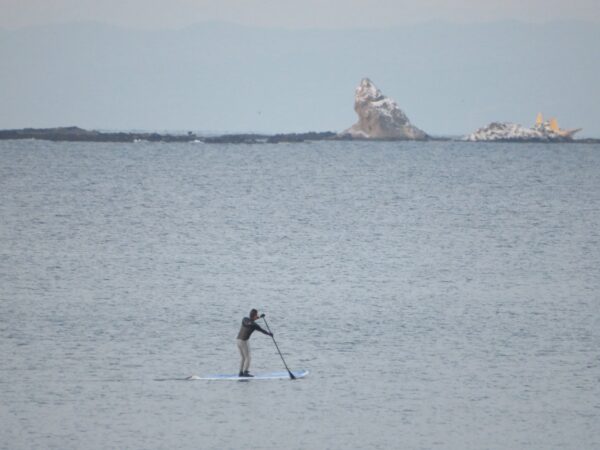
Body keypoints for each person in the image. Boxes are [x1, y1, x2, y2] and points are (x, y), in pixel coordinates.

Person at [236, 309, 272, 377]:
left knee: (243, 357)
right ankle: (245, 372)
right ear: (254, 316)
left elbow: (262, 330)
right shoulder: (253, 324)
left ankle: (241, 373)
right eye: (256, 315)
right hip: (243, 341)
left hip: (238, 340)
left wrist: (269, 334)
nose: (257, 316)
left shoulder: (245, 319)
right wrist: (269, 334)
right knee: (248, 357)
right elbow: (251, 325)